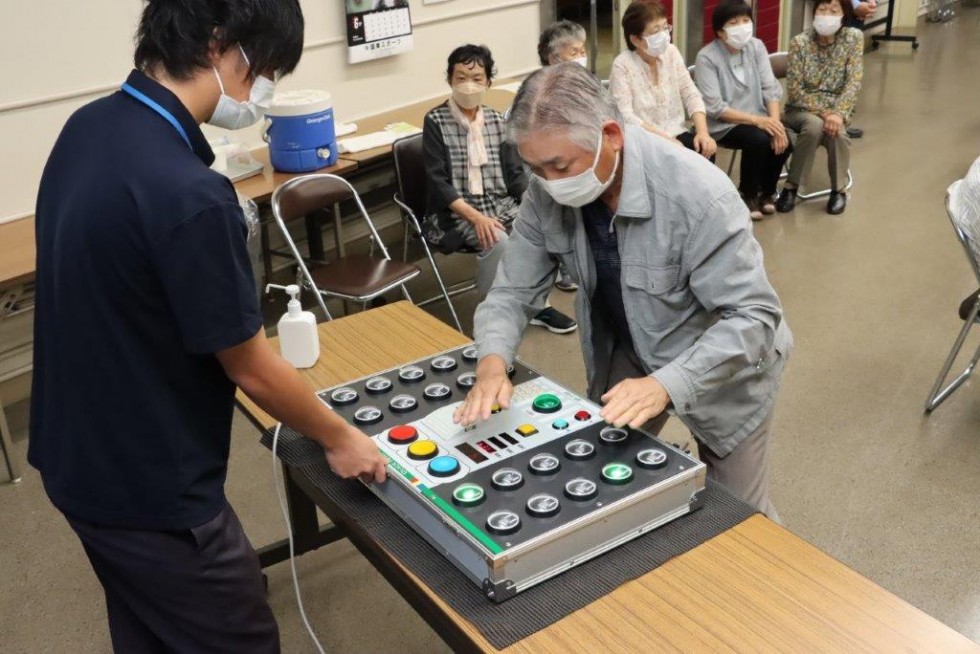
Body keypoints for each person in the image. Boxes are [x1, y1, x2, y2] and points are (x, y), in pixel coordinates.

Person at [29, 1, 387, 651]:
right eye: (267, 69)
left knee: (150, 628)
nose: (263, 91)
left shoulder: (90, 126)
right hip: (149, 487)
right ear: (221, 44)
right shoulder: (187, 193)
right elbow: (249, 365)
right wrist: (342, 438)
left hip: (72, 454)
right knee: (237, 633)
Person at [455, 62, 792, 520]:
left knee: (737, 519)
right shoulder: (545, 192)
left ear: (610, 134)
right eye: (536, 168)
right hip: (631, 344)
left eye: (560, 165)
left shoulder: (697, 194)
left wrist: (666, 384)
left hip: (725, 367)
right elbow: (512, 290)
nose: (550, 184)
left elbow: (753, 318)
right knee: (596, 483)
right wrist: (493, 364)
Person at [422, 44, 577, 334]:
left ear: (488, 82)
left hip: (500, 203)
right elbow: (437, 182)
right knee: (497, 237)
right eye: (461, 77)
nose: (469, 84)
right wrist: (476, 217)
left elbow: (515, 175)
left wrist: (539, 204)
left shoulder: (496, 120)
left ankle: (535, 305)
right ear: (450, 81)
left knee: (544, 228)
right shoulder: (435, 121)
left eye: (477, 77)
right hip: (456, 213)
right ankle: (497, 313)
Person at [694, 0, 792, 220]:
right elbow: (715, 107)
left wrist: (775, 124)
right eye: (734, 22)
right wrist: (758, 121)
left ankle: (766, 191)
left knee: (784, 140)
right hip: (724, 124)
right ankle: (747, 194)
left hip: (758, 117)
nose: (742, 26)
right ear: (720, 31)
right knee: (758, 139)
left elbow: (770, 88)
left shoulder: (756, 47)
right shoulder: (707, 57)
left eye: (746, 20)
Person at [777, 0, 863, 215]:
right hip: (801, 109)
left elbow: (853, 82)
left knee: (837, 134)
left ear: (844, 15)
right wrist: (828, 114)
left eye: (834, 10)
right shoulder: (800, 42)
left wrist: (839, 114)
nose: (827, 15)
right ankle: (792, 187)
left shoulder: (853, 39)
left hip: (837, 110)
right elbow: (795, 91)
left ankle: (838, 190)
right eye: (822, 10)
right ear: (813, 14)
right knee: (815, 125)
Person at [610, 0, 717, 160]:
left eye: (665, 27)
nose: (664, 35)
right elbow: (626, 116)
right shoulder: (622, 65)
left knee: (705, 149)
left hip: (676, 132)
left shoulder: (671, 52)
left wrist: (703, 133)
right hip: (644, 141)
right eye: (655, 31)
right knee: (679, 161)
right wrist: (668, 142)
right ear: (636, 40)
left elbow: (691, 94)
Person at [537, 19, 591, 292]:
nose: (582, 57)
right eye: (574, 52)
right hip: (551, 166)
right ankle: (562, 260)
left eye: (582, 50)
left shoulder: (583, 84)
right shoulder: (541, 94)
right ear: (553, 57)